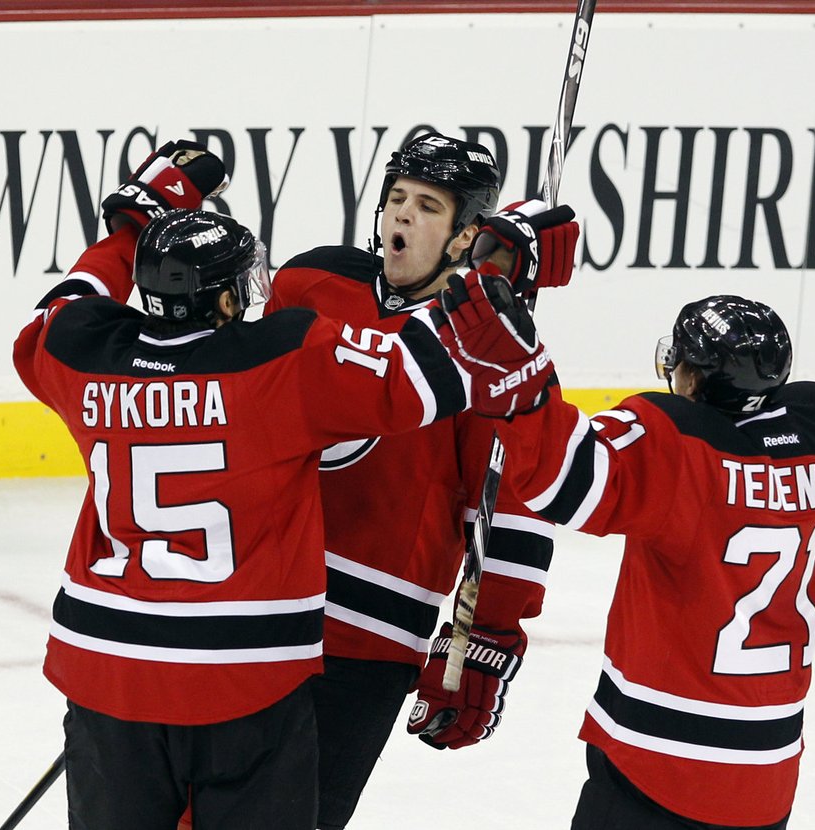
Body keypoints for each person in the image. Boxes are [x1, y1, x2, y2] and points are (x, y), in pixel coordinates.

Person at [427, 233, 815, 828]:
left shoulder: (673, 446)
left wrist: (522, 380)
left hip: (654, 759)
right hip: (767, 774)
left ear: (697, 380)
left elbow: (565, 483)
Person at [12, 140, 468, 830]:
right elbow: (431, 376)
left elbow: (62, 306)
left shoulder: (82, 352)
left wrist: (134, 225)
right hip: (244, 675)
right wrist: (492, 291)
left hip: (104, 670)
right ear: (227, 297)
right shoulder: (277, 368)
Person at [263, 131, 580, 829]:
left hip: (371, 639)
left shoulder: (492, 343)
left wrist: (485, 638)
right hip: (259, 604)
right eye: (396, 199)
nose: (401, 217)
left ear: (467, 235)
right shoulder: (310, 284)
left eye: (427, 206)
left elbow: (511, 506)